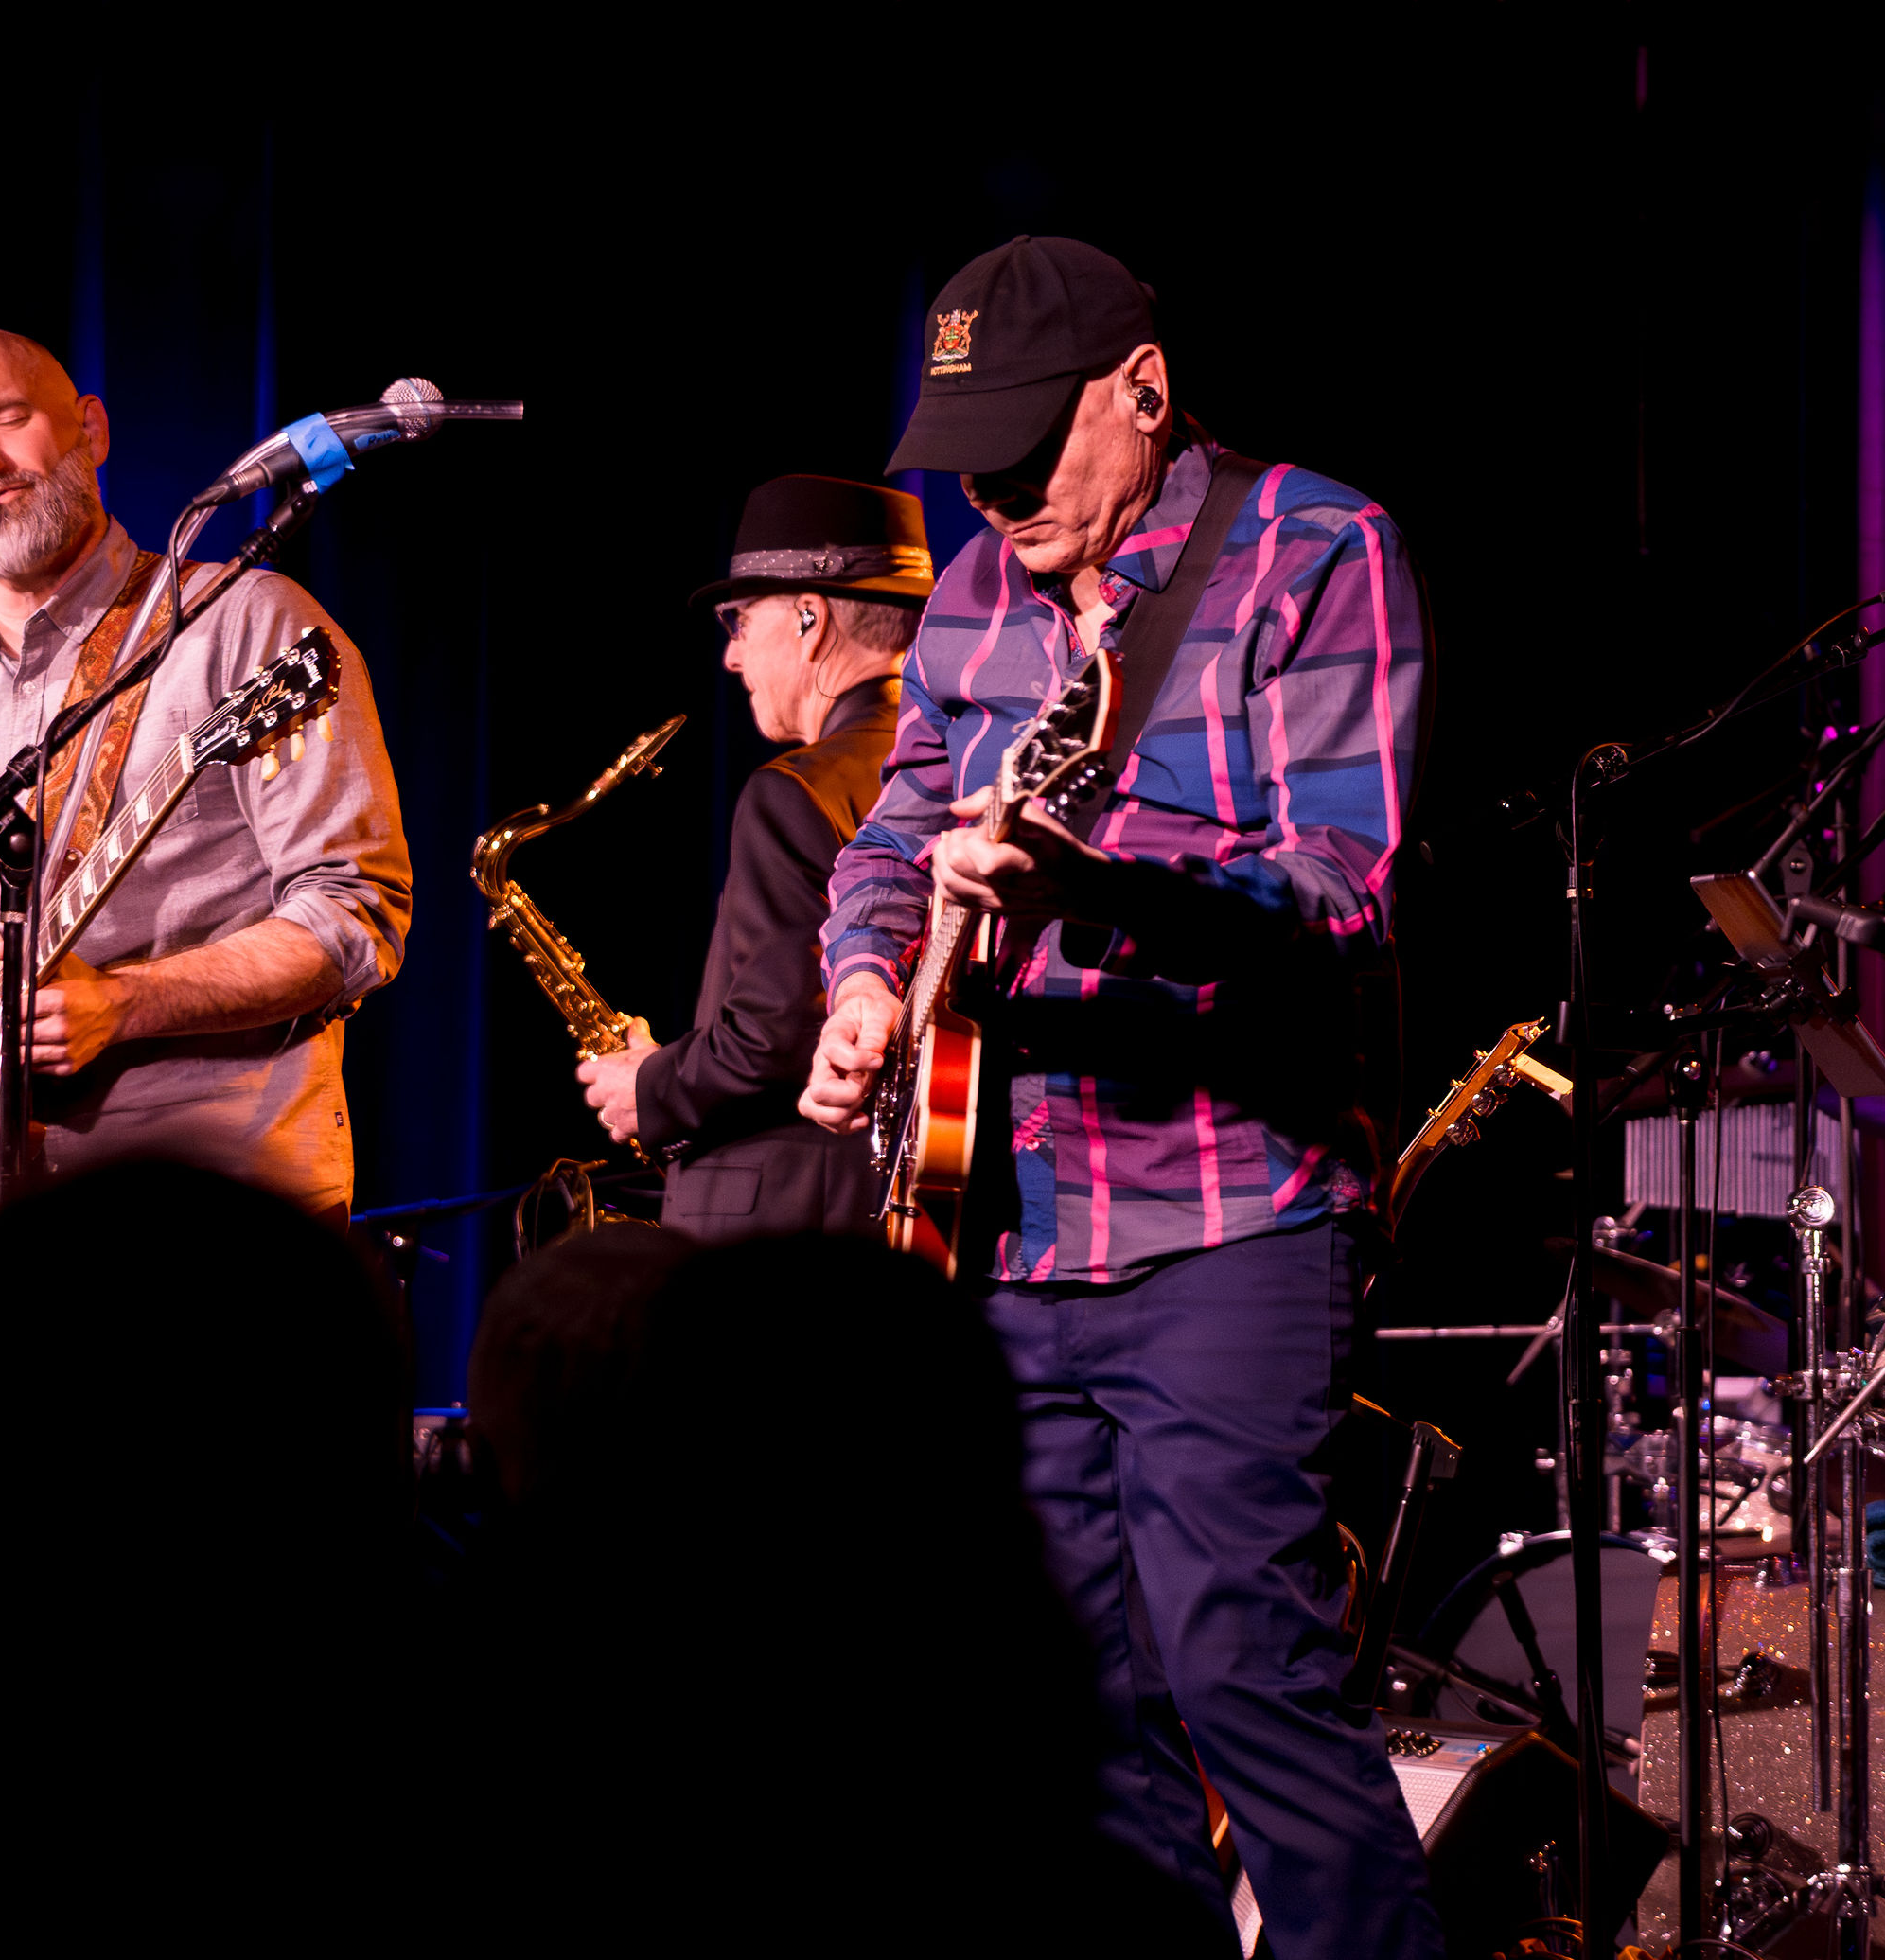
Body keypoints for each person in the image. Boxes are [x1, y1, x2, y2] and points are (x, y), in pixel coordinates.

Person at [798, 236, 1439, 1956]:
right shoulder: (974, 592)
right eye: (970, 454)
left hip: (1225, 1211)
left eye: (1029, 443)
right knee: (1078, 1726)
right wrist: (864, 982)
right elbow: (891, 834)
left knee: (1250, 1679)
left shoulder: (1317, 547)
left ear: (1143, 392)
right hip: (1003, 1223)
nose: (997, 490)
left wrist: (1096, 885)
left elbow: (1345, 886)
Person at [0, 327, 413, 1218]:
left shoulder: (244, 623)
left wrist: (127, 1003)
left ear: (92, 428)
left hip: (214, 1196)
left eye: (8, 418)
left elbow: (354, 907)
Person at [570, 476, 930, 1238]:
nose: (732, 657)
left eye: (740, 621)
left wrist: (652, 1086)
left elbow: (777, 1033)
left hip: (780, 1227)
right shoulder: (949, 770)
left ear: (809, 619)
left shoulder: (791, 791)